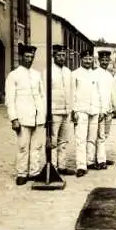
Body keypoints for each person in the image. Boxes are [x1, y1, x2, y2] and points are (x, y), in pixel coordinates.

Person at [4, 43, 46, 185]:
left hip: (38, 116)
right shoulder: (13, 75)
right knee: (23, 146)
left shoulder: (37, 74)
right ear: (21, 57)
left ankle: (34, 172)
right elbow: (9, 100)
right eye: (27, 56)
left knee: (37, 146)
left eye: (31, 56)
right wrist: (13, 118)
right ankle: (22, 173)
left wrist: (44, 113)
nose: (29, 59)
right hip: (23, 117)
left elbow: (42, 95)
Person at [71, 48, 103, 177]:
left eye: (90, 59)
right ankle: (81, 165)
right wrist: (74, 110)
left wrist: (100, 110)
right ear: (81, 59)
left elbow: (99, 93)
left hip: (94, 110)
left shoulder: (96, 74)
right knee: (80, 139)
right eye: (85, 59)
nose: (88, 61)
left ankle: (90, 161)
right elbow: (72, 93)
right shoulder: (75, 74)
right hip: (81, 110)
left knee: (92, 138)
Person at [49, 44, 76, 176]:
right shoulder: (48, 71)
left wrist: (72, 109)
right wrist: (46, 112)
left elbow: (72, 92)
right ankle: (52, 167)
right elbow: (44, 93)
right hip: (53, 111)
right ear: (53, 56)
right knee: (53, 140)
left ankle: (62, 166)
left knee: (63, 140)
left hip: (66, 111)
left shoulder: (68, 72)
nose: (61, 57)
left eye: (63, 55)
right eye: (58, 55)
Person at [93, 50, 116, 170]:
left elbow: (111, 93)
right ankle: (100, 160)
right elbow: (96, 94)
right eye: (103, 60)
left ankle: (101, 156)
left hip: (108, 110)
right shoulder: (95, 73)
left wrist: (113, 108)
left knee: (105, 135)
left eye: (107, 60)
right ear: (98, 60)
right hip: (100, 110)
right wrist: (101, 109)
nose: (105, 62)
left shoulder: (109, 75)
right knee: (100, 135)